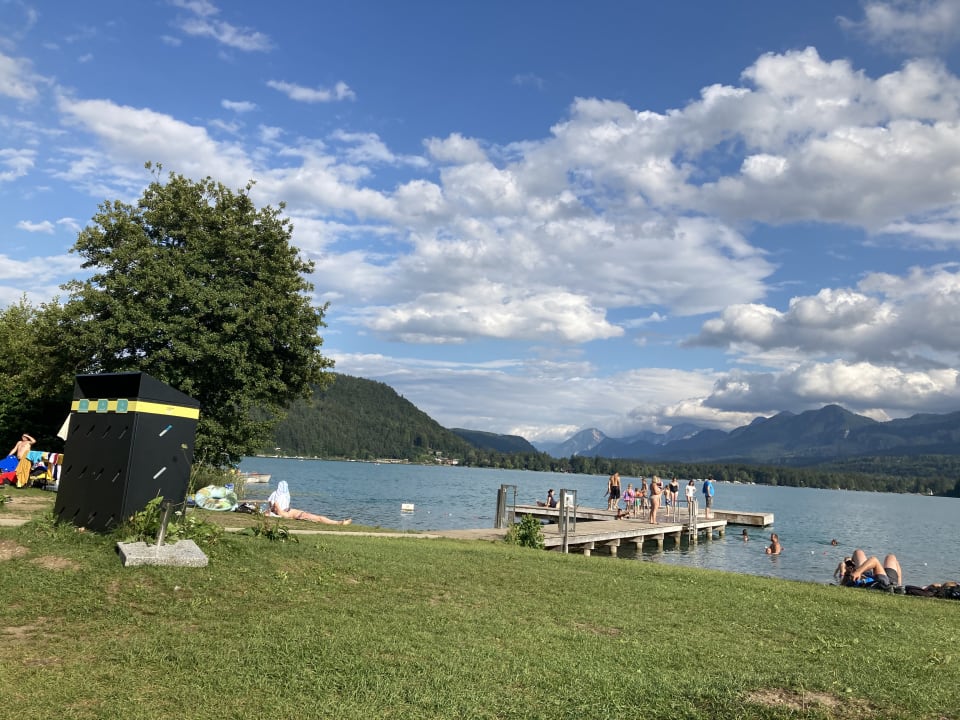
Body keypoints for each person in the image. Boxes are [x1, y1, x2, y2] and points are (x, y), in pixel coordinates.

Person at [267, 481, 351, 525]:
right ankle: (338, 523)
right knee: (318, 518)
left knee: (318, 518)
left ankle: (338, 522)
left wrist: (272, 509)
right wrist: (274, 508)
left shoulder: (276, 499)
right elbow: (275, 508)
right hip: (297, 514)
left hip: (296, 513)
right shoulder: (282, 512)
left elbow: (271, 506)